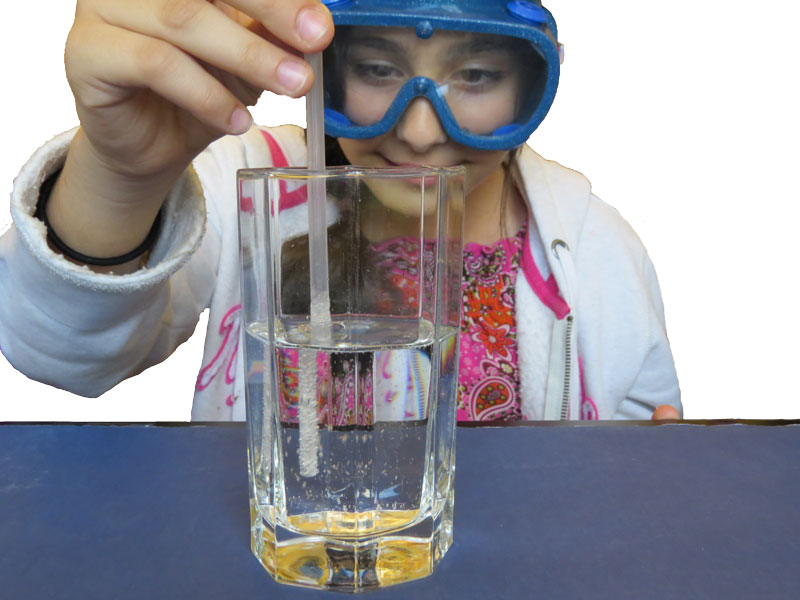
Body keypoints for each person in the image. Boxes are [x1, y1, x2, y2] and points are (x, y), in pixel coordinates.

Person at [0, 0, 681, 421]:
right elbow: (61, 354)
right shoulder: (253, 183)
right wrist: (121, 175)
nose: (418, 132)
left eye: (475, 76)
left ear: (532, 84)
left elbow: (638, 428)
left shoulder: (597, 248)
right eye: (378, 69)